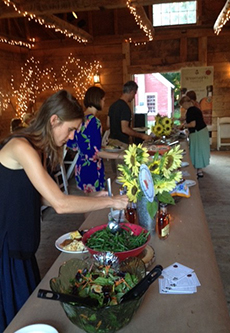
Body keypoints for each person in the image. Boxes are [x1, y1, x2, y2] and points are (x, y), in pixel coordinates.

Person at [0, 89, 128, 330]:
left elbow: (41, 199)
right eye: (70, 130)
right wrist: (111, 201)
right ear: (54, 120)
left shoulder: (39, 150)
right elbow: (59, 203)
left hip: (22, 241)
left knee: (27, 309)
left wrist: (93, 198)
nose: (71, 138)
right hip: (6, 243)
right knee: (14, 316)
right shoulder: (21, 146)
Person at [67, 86, 124, 193]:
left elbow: (73, 145)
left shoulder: (78, 119)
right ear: (98, 100)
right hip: (92, 168)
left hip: (80, 167)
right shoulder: (94, 121)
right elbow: (97, 152)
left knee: (90, 202)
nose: (104, 102)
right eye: (103, 100)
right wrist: (120, 155)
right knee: (96, 204)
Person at [107, 80, 151, 148]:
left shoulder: (112, 106)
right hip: (121, 143)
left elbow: (108, 124)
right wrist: (142, 136)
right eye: (134, 94)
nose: (134, 97)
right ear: (132, 92)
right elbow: (124, 129)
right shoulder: (125, 108)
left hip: (111, 142)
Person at [179, 95, 210, 178]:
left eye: (182, 105)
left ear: (186, 103)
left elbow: (192, 124)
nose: (183, 107)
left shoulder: (191, 111)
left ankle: (196, 172)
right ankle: (199, 171)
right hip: (202, 131)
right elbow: (188, 119)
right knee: (200, 151)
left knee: (196, 151)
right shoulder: (195, 109)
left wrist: (183, 126)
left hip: (197, 133)